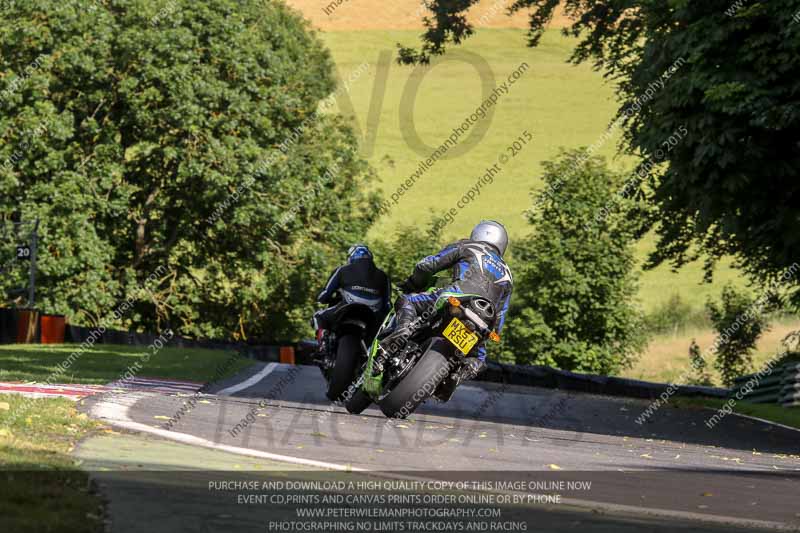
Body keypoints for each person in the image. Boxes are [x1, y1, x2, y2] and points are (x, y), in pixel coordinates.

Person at [377, 220, 513, 391]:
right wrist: (494, 332)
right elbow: (501, 314)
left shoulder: (468, 246)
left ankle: (402, 331)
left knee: (407, 300)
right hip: (486, 319)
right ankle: (463, 371)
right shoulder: (508, 274)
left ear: (478, 233)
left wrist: (414, 282)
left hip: (457, 298)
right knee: (479, 355)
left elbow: (427, 265)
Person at [312, 244, 391, 354]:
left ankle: (323, 346)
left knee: (318, 316)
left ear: (351, 257)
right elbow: (387, 303)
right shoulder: (383, 276)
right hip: (373, 314)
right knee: (384, 331)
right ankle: (378, 354)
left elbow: (326, 292)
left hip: (348, 307)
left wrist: (321, 298)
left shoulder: (342, 270)